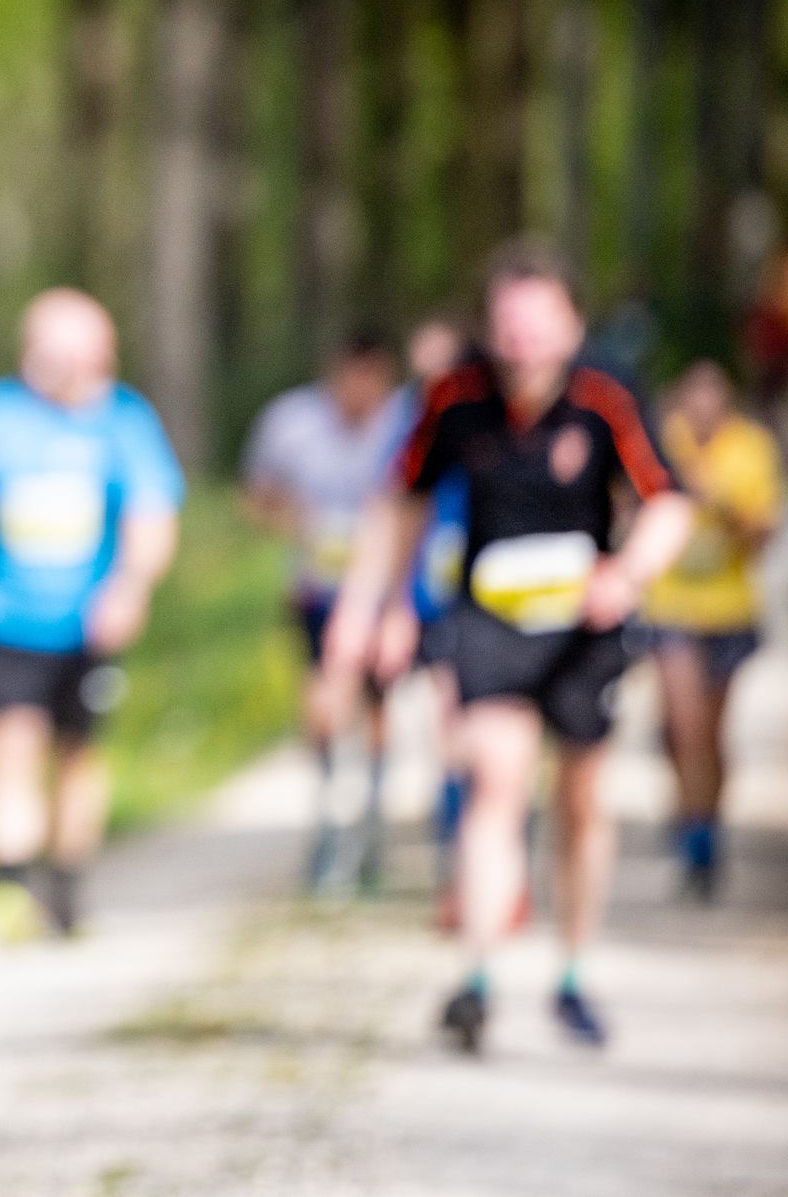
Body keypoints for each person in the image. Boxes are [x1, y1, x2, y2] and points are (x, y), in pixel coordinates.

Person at [325, 238, 692, 1054]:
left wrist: (626, 575)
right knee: (494, 781)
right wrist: (367, 607)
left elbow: (668, 503)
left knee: (581, 801)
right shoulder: (456, 394)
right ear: (491, 328)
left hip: (584, 628)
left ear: (571, 323)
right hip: (489, 618)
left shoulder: (607, 393)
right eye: (509, 327)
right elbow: (399, 504)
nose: (523, 343)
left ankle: (574, 973)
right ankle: (478, 974)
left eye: (539, 325)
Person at [0, 289, 183, 939]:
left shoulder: (126, 420)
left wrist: (130, 589)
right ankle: (9, 884)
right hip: (4, 618)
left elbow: (152, 516)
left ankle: (67, 884)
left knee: (78, 752)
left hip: (89, 625)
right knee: (10, 741)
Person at [240, 334, 409, 892]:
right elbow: (256, 494)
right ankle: (329, 815)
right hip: (318, 587)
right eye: (351, 378)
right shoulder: (291, 421)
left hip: (385, 589)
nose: (361, 392)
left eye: (373, 380)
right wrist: (294, 518)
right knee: (324, 698)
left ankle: (373, 823)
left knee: (378, 701)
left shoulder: (406, 422)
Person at [644, 361, 782, 900]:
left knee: (713, 734)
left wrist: (715, 500)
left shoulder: (750, 449)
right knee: (683, 724)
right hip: (671, 605)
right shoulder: (662, 442)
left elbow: (764, 533)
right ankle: (690, 827)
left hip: (730, 610)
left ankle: (707, 825)